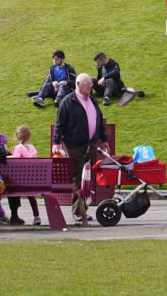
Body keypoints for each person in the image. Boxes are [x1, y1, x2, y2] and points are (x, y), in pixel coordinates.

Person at [53, 73, 108, 225]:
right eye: (87, 84)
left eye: (91, 84)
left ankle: (82, 210)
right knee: (79, 177)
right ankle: (78, 212)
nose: (90, 87)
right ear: (78, 84)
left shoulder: (92, 100)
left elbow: (99, 119)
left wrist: (103, 139)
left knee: (87, 178)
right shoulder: (68, 101)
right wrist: (56, 142)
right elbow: (59, 123)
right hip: (73, 145)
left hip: (90, 144)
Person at [8, 125, 41, 226]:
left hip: (21, 180)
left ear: (17, 136)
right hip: (32, 180)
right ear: (29, 136)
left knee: (12, 188)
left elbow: (16, 158)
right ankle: (36, 216)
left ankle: (14, 215)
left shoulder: (18, 148)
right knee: (31, 196)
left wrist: (7, 156)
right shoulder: (32, 148)